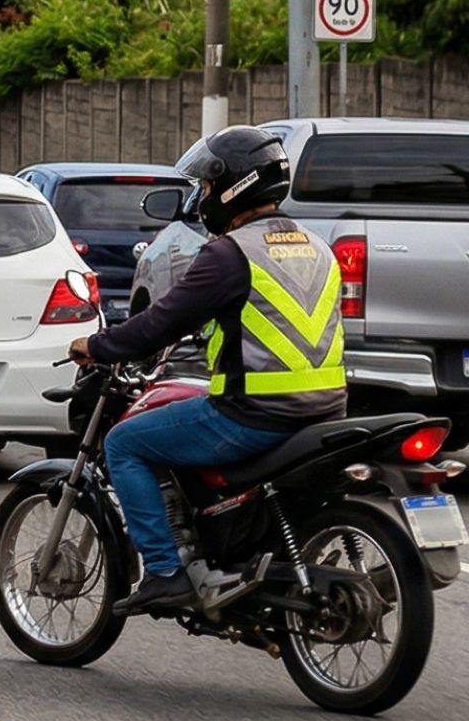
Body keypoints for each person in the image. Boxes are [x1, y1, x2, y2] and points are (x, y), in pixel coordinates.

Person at [68, 127, 348, 615]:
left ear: (234, 186)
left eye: (209, 187)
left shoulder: (230, 254)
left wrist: (97, 344)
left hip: (255, 417)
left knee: (125, 443)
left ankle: (164, 572)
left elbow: (159, 321)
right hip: (326, 411)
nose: (204, 198)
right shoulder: (316, 246)